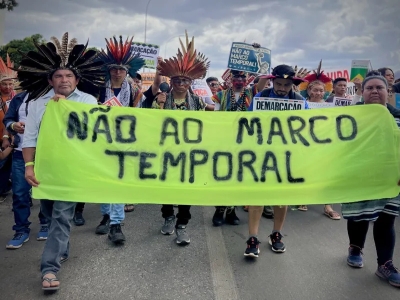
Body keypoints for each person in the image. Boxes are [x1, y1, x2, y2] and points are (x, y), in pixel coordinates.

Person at [19, 32, 105, 291]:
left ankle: (49, 268)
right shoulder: (36, 104)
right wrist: (28, 166)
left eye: (69, 76)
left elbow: (90, 136)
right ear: (50, 79)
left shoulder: (88, 102)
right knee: (47, 213)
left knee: (61, 216)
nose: (64, 80)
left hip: (72, 171)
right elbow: (29, 137)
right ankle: (62, 247)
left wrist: (65, 109)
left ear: (77, 80)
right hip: (46, 170)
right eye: (59, 76)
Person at [342, 71, 400, 288]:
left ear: (389, 91)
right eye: (370, 88)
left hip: (390, 180)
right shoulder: (349, 116)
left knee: (386, 220)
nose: (375, 91)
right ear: (362, 92)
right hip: (358, 176)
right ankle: (355, 248)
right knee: (359, 216)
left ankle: (385, 264)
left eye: (380, 87)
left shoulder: (398, 118)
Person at [244, 64, 308, 257]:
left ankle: (276, 234)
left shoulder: (300, 101)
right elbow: (248, 123)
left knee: (281, 199)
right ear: (272, 81)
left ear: (292, 85)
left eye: (286, 85)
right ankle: (253, 238)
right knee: (257, 198)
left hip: (287, 156)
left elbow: (306, 127)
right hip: (262, 155)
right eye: (278, 84)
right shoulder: (260, 98)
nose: (281, 88)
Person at [153, 31, 209, 245]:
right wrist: (158, 104)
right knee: (166, 187)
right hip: (165, 152)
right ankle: (168, 216)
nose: (180, 83)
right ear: (171, 81)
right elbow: (149, 124)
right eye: (177, 79)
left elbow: (205, 126)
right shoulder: (160, 100)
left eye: (185, 80)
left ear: (191, 82)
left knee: (186, 190)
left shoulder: (199, 103)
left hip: (189, 153)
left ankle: (182, 224)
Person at [96, 35, 145, 243]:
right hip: (100, 140)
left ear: (127, 71)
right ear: (108, 69)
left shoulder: (134, 90)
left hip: (124, 141)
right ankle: (106, 214)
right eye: (114, 68)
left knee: (118, 180)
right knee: (103, 180)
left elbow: (138, 116)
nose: (117, 72)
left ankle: (116, 223)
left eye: (122, 69)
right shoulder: (97, 87)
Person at [212, 48, 269, 227]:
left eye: (242, 78)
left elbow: (264, 80)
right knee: (224, 177)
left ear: (247, 80)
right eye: (235, 78)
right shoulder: (220, 96)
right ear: (230, 79)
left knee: (238, 177)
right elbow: (216, 119)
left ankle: (232, 211)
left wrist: (258, 54)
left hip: (246, 142)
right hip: (226, 142)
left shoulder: (253, 93)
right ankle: (219, 210)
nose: (239, 81)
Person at [3, 90, 49, 249]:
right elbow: (8, 119)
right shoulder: (19, 97)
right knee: (20, 193)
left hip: (46, 153)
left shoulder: (54, 96)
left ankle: (46, 223)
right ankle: (21, 230)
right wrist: (13, 125)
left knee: (45, 191)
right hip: (20, 153)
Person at [297, 63, 342, 219]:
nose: (318, 92)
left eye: (321, 90)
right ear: (308, 90)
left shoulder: (331, 106)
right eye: (315, 89)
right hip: (305, 142)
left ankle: (328, 206)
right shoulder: (301, 104)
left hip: (324, 144)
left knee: (326, 173)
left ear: (325, 92)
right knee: (306, 170)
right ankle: (303, 198)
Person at [0, 54, 16, 195]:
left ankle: (3, 187)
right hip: (2, 135)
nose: (8, 86)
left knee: (7, 164)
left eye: (10, 83)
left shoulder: (15, 97)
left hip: (10, 133)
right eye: (4, 84)